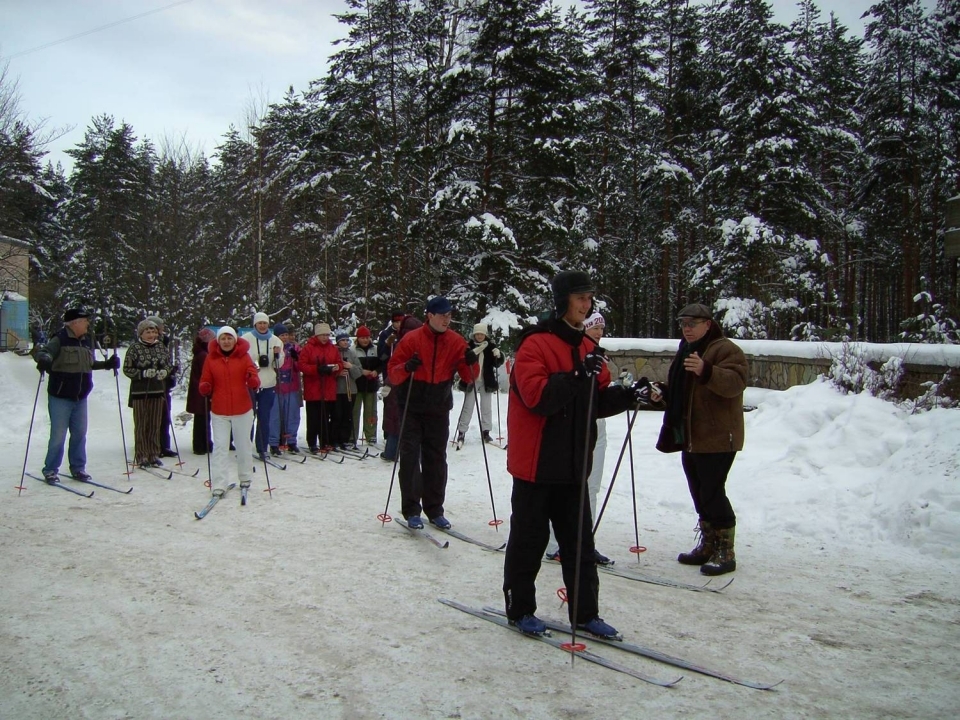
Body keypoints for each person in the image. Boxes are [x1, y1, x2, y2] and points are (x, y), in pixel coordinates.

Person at [502, 270, 647, 638]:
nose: (587, 304)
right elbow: (538, 398)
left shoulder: (587, 348)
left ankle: (585, 613)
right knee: (529, 542)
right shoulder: (535, 345)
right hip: (536, 464)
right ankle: (520, 609)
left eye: (589, 298)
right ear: (562, 300)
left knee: (580, 544)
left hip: (573, 463)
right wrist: (578, 375)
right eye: (580, 297)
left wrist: (631, 395)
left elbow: (596, 401)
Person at [653, 303, 748, 576]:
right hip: (692, 436)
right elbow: (684, 390)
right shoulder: (687, 349)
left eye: (692, 324)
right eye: (683, 324)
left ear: (708, 324)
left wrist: (707, 370)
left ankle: (725, 551)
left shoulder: (725, 349)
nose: (687, 329)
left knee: (712, 492)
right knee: (698, 491)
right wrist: (663, 392)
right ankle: (708, 544)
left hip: (718, 436)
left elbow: (735, 382)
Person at [387, 296, 477, 529]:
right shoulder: (411, 339)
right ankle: (411, 510)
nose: (447, 319)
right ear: (430, 315)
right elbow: (393, 373)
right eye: (443, 315)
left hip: (438, 406)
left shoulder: (456, 341)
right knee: (409, 457)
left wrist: (471, 361)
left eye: (449, 315)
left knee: (436, 459)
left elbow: (470, 377)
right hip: (411, 405)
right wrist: (407, 367)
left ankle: (435, 509)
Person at [544, 310, 614, 565]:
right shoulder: (572, 350)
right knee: (567, 487)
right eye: (595, 327)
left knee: (591, 487)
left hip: (597, 423)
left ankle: (585, 543)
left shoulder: (599, 354)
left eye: (602, 328)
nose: (599, 332)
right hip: (573, 425)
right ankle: (557, 544)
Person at [34, 306, 120, 483]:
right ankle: (50, 470)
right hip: (60, 396)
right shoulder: (60, 339)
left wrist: (106, 364)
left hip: (81, 397)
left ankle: (78, 468)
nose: (88, 324)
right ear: (75, 323)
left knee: (80, 434)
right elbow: (43, 352)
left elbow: (89, 364)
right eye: (85, 321)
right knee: (58, 435)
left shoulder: (86, 341)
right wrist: (43, 359)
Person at [198, 326, 259, 496]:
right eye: (223, 339)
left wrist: (252, 380)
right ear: (218, 341)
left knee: (243, 444)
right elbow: (205, 379)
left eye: (229, 338)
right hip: (220, 410)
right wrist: (205, 387)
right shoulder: (211, 358)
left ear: (235, 340)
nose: (226, 342)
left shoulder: (244, 356)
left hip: (242, 409)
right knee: (220, 447)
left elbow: (254, 377)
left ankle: (245, 477)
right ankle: (219, 483)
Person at [123, 318, 177, 468]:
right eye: (148, 332)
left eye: (154, 332)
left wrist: (165, 372)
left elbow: (168, 365)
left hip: (158, 391)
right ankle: (141, 455)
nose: (152, 335)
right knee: (142, 425)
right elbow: (127, 369)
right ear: (141, 333)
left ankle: (153, 454)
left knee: (155, 424)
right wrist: (142, 373)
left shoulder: (160, 347)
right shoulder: (134, 348)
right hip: (140, 392)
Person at [454, 323, 504, 449]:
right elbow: (462, 361)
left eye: (482, 334)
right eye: (477, 334)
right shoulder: (469, 346)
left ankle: (486, 432)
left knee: (486, 407)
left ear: (485, 335)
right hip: (471, 380)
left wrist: (499, 355)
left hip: (486, 380)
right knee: (468, 406)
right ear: (474, 335)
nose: (480, 336)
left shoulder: (490, 346)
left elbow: (496, 363)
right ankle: (461, 432)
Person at [241, 312, 284, 458]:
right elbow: (241, 359)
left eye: (265, 323)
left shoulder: (276, 340)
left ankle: (262, 448)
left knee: (264, 417)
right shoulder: (246, 339)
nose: (262, 326)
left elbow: (279, 364)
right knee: (248, 417)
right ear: (255, 324)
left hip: (268, 383)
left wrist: (277, 355)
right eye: (259, 323)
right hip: (250, 383)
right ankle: (245, 448)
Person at [380, 316, 422, 462]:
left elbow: (393, 366)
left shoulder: (403, 344)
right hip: (411, 387)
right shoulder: (417, 343)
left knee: (396, 421)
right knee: (409, 422)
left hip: (400, 386)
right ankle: (413, 454)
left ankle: (392, 452)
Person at [298, 323, 342, 453]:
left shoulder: (333, 348)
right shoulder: (308, 348)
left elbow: (339, 363)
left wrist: (336, 368)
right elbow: (302, 365)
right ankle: (312, 442)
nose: (325, 337)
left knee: (325, 416)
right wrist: (317, 369)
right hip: (313, 387)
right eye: (322, 335)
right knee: (313, 417)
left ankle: (325, 441)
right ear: (317, 335)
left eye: (327, 335)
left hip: (328, 387)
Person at [269, 323, 302, 454]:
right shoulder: (272, 347)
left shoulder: (294, 348)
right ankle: (274, 442)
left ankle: (291, 441)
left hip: (291, 386)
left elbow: (301, 366)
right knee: (275, 417)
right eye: (282, 335)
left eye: (286, 335)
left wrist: (296, 358)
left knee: (292, 415)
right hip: (276, 387)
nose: (285, 337)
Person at [186, 327, 216, 454]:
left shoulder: (200, 353)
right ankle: (201, 444)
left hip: (197, 390)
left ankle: (203, 443)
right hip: (201, 391)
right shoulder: (204, 355)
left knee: (202, 418)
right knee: (202, 419)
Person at [353, 325, 381, 446]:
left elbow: (382, 364)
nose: (365, 340)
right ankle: (352, 435)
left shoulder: (375, 349)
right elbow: (351, 366)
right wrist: (361, 372)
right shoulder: (353, 350)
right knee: (355, 412)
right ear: (358, 338)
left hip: (371, 385)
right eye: (362, 338)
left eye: (367, 337)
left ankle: (371, 434)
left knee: (371, 412)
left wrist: (377, 371)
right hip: (357, 385)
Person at [334, 331, 362, 449]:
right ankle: (335, 439)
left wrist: (351, 367)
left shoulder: (352, 353)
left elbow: (359, 372)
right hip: (337, 390)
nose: (345, 342)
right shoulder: (334, 352)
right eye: (342, 340)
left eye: (346, 340)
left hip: (350, 389)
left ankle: (345, 439)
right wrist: (338, 372)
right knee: (337, 415)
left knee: (347, 415)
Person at [377, 311, 405, 383]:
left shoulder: (407, 333)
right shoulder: (385, 334)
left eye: (401, 322)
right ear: (392, 322)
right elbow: (382, 357)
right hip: (389, 370)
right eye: (397, 322)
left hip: (404, 369)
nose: (399, 324)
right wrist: (387, 345)